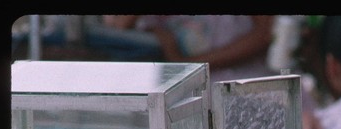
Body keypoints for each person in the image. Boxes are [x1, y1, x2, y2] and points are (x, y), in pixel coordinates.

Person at [103, 15, 277, 82]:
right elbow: (116, 28)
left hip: (245, 87)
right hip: (183, 101)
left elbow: (266, 34)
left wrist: (188, 65)